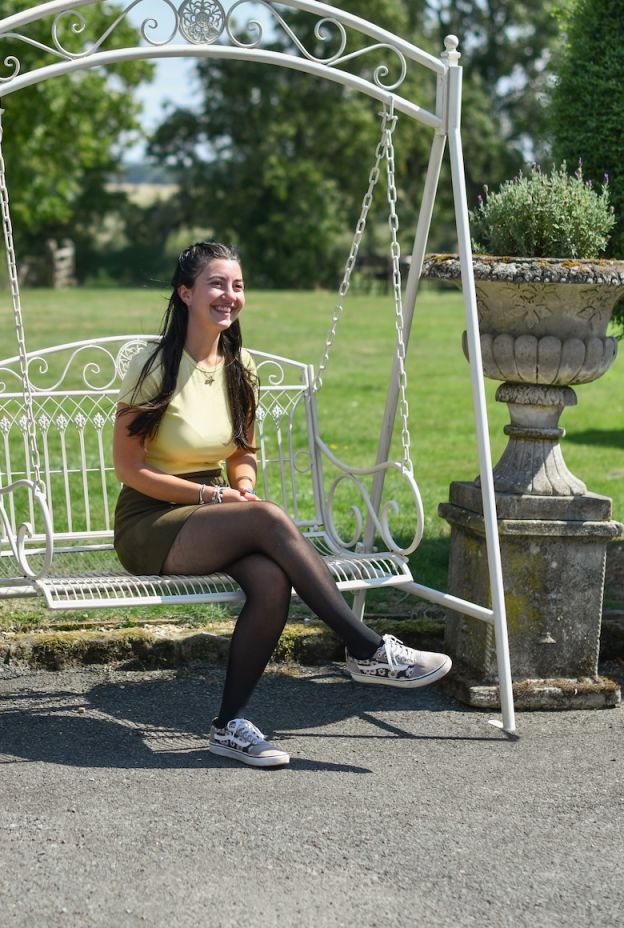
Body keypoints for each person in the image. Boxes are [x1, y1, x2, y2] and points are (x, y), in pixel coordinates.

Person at [112, 241, 451, 769]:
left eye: (238, 285)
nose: (230, 295)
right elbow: (132, 470)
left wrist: (240, 486)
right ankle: (367, 650)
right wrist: (216, 496)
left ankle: (229, 726)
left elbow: (242, 453)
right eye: (216, 284)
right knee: (267, 517)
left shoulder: (239, 366)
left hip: (215, 513)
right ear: (185, 293)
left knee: (271, 582)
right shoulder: (152, 365)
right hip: (152, 518)